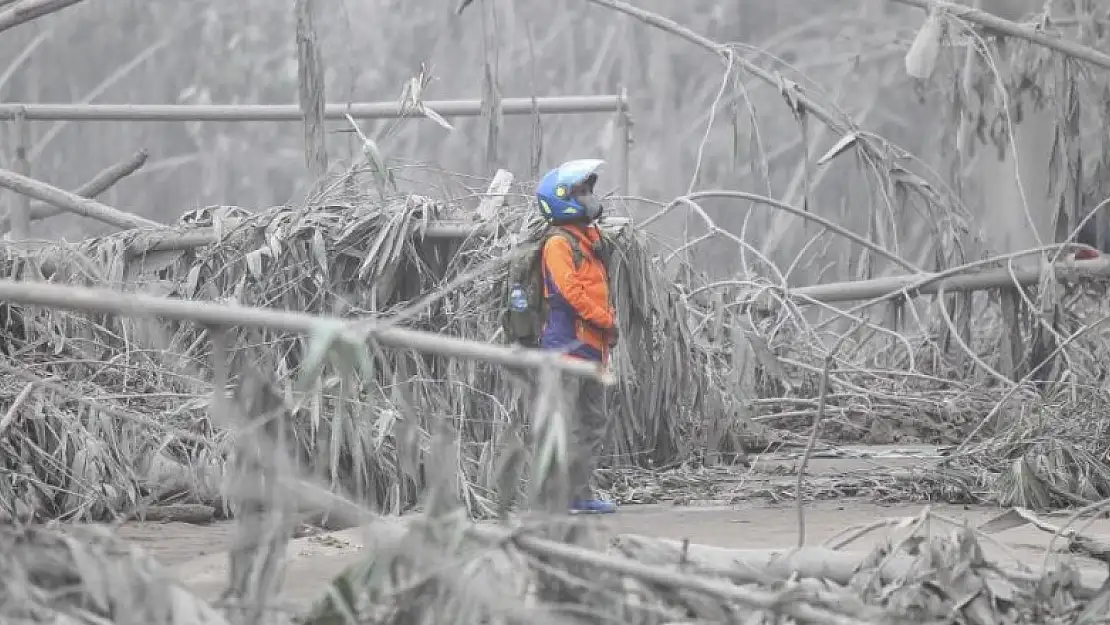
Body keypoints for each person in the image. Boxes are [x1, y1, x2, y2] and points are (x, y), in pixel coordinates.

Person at [534, 158, 619, 515]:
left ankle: (579, 495)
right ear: (562, 199)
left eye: (588, 190)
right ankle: (554, 498)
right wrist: (606, 321)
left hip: (593, 349)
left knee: (592, 424)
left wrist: (605, 327)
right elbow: (570, 293)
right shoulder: (557, 244)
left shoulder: (589, 238)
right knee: (564, 424)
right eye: (580, 191)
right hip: (567, 349)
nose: (588, 197)